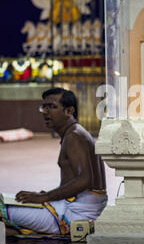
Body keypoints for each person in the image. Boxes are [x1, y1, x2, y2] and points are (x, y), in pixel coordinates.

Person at [0, 88, 107, 236]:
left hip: (73, 216)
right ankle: (10, 233)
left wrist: (45, 197)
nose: (45, 111)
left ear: (69, 111)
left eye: (52, 107)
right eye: (44, 107)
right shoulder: (77, 132)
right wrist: (48, 195)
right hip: (74, 210)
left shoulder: (74, 136)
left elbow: (85, 179)